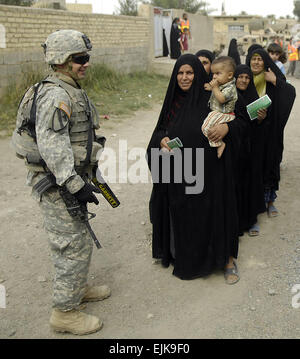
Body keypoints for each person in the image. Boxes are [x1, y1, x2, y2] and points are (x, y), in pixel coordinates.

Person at [12, 30, 111, 335]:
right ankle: (64, 313)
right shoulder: (56, 95)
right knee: (70, 245)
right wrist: (73, 183)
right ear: (62, 61)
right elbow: (53, 145)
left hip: (69, 178)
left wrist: (88, 175)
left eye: (86, 58)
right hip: (56, 184)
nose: (86, 64)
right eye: (80, 59)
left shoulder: (69, 89)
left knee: (78, 238)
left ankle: (76, 289)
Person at [147, 54, 247, 284]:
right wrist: (161, 139)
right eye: (180, 73)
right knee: (185, 216)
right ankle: (184, 257)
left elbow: (241, 121)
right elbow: (159, 130)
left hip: (212, 174)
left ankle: (226, 260)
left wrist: (226, 130)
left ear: (198, 74)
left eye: (189, 73)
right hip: (180, 174)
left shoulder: (212, 96)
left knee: (216, 213)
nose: (184, 77)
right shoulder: (173, 101)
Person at [246, 48, 296, 218]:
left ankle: (270, 201)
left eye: (260, 59)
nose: (256, 62)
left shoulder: (272, 77)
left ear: (266, 61)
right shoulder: (244, 78)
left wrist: (276, 82)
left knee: (270, 164)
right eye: (253, 59)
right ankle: (255, 204)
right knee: (252, 169)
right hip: (250, 132)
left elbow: (290, 93)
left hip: (270, 132)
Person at [234, 65, 267, 236]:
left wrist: (261, 119)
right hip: (235, 150)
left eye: (247, 78)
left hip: (251, 150)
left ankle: (251, 219)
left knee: (251, 183)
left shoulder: (254, 97)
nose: (244, 80)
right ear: (235, 78)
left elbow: (259, 128)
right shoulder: (231, 96)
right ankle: (238, 222)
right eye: (240, 77)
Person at [202, 56, 238, 158]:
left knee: (205, 128)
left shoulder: (230, 88)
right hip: (218, 114)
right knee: (206, 127)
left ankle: (219, 144)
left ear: (230, 75)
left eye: (218, 73)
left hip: (225, 115)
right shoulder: (222, 84)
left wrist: (214, 87)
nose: (214, 77)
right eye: (213, 73)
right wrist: (212, 87)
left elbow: (221, 98)